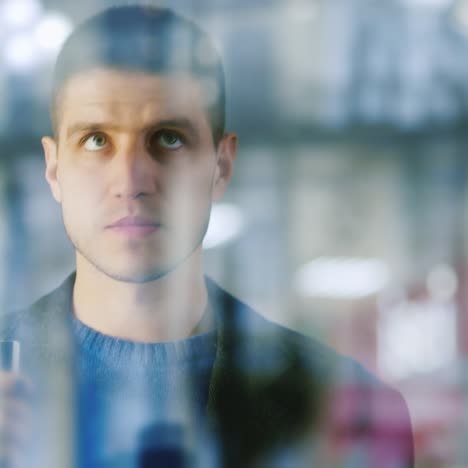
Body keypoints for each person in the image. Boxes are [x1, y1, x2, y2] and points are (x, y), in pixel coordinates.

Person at [0, 5, 414, 468]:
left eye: (168, 138)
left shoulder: (346, 411)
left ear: (222, 166)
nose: (131, 180)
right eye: (96, 140)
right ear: (53, 168)